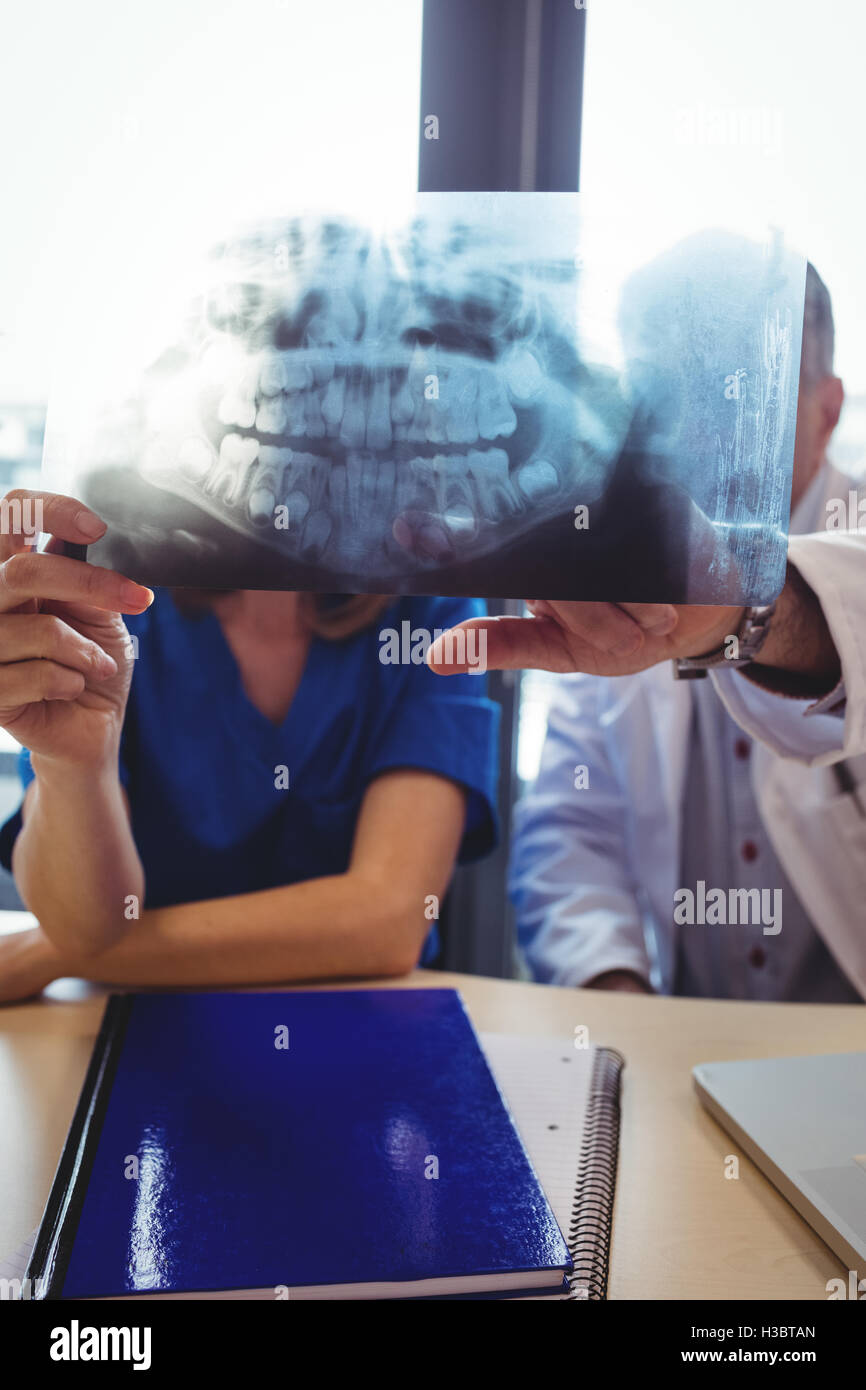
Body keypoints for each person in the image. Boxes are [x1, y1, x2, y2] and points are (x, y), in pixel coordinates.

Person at [429, 265, 866, 1002]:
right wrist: (620, 997)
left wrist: (745, 614)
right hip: (684, 1060)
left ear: (827, 413)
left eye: (740, 388)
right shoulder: (617, 587)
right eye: (663, 391)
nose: (694, 428)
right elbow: (573, 837)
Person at [0, 501, 498, 1001]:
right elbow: (82, 923)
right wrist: (77, 766)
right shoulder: (110, 603)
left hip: (359, 1018)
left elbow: (389, 922)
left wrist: (48, 953)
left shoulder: (433, 612)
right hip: (129, 1019)